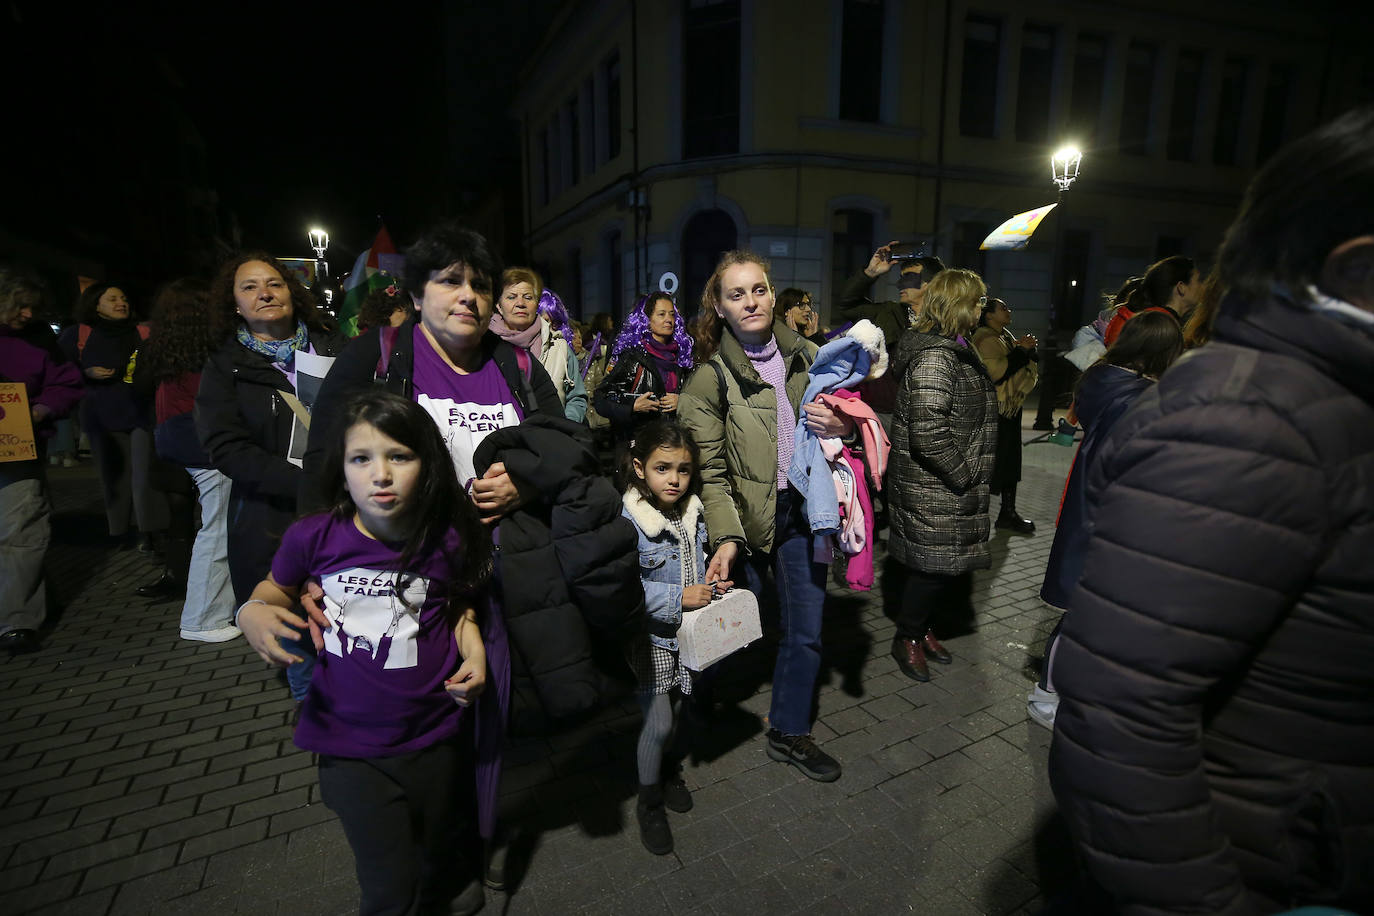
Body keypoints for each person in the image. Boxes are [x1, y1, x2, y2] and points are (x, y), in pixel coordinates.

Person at [1048, 106, 1374, 915]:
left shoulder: (1310, 408)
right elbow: (1118, 720)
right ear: (1357, 270)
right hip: (1269, 871)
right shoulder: (1248, 425)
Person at [240, 390, 496, 915]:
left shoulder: (447, 539)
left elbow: (457, 606)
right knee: (386, 888)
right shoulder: (312, 536)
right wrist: (251, 611)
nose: (380, 474)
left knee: (431, 847)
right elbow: (271, 590)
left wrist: (475, 650)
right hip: (351, 749)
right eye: (362, 458)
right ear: (342, 466)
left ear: (426, 464)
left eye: (398, 456)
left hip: (434, 736)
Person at [678, 250, 851, 782]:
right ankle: (697, 697)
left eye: (758, 290)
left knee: (805, 630)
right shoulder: (708, 379)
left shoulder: (813, 358)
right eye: (737, 294)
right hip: (743, 520)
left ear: (773, 296)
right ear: (720, 308)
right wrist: (727, 537)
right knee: (727, 628)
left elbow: (849, 431)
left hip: (801, 511)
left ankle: (789, 729)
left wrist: (840, 423)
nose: (750, 301)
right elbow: (707, 470)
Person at [197, 252, 346, 699]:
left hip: (345, 506)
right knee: (300, 633)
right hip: (273, 518)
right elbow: (225, 446)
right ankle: (319, 721)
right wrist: (301, 484)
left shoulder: (334, 346)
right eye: (249, 287)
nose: (264, 293)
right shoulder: (226, 366)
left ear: (292, 292)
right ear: (235, 304)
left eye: (274, 284)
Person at [1029, 311, 1183, 728]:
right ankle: (1048, 696)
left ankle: (1057, 693)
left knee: (1085, 613)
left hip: (1095, 514)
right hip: (1113, 521)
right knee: (1085, 615)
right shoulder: (1138, 397)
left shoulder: (1104, 380)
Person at [885, 269, 997, 683]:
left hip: (941, 485)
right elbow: (929, 433)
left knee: (938, 568)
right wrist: (964, 474)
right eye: (978, 300)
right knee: (929, 570)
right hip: (935, 486)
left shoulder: (952, 347)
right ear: (959, 305)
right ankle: (907, 637)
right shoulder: (936, 356)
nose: (982, 307)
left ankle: (921, 628)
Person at [619, 421, 710, 855]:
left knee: (678, 708)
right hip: (651, 641)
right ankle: (648, 800)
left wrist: (712, 580)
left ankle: (667, 768)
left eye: (683, 469)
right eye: (662, 468)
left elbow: (698, 558)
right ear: (639, 468)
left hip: (687, 637)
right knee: (658, 721)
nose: (674, 479)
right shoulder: (628, 521)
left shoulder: (691, 510)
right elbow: (623, 590)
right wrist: (679, 597)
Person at [135, 279, 239, 640]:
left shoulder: (165, 346)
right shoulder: (209, 348)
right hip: (204, 441)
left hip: (174, 436)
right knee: (219, 526)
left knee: (217, 523)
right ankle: (203, 618)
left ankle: (217, 609)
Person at [0, 266, 83, 654]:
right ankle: (35, 601)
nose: (30, 315)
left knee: (21, 531)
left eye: (34, 308)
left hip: (17, 449)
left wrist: (42, 409)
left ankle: (17, 621)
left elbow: (66, 382)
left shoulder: (39, 342)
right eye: (22, 306)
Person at [63, 281, 167, 550]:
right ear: (95, 305)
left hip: (143, 413)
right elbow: (58, 373)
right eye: (112, 299)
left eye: (123, 298)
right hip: (101, 417)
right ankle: (119, 532)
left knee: (144, 478)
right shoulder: (79, 336)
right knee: (113, 477)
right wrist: (85, 374)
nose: (121, 303)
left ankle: (150, 532)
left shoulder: (143, 332)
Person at [972, 297, 1039, 534]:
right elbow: (996, 372)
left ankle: (1007, 513)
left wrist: (1026, 350)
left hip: (1009, 408)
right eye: (1003, 308)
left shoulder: (1004, 336)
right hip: (996, 409)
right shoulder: (984, 337)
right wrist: (1022, 351)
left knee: (1010, 462)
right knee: (994, 463)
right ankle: (979, 515)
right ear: (989, 315)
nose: (1009, 311)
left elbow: (1018, 363)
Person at [593, 292, 694, 442]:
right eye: (661, 314)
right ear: (647, 320)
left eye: (672, 314)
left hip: (675, 442)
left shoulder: (683, 357)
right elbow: (601, 399)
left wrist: (682, 401)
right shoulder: (633, 357)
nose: (668, 319)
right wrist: (632, 407)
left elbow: (700, 399)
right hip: (642, 444)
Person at [490, 268, 587, 422]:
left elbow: (576, 398)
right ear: (499, 305)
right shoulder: (485, 347)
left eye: (528, 297)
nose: (520, 303)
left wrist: (564, 428)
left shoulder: (560, 348)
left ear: (537, 304)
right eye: (511, 297)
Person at [1100, 254, 1201, 346]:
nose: (1203, 287)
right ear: (1181, 287)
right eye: (1198, 281)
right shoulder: (1162, 330)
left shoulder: (1146, 322)